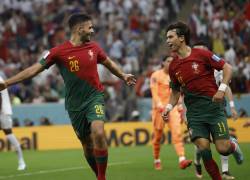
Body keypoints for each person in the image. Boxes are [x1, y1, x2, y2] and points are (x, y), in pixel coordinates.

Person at [0, 13, 136, 180]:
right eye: (90, 27)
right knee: (87, 145)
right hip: (74, 105)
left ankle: (102, 177)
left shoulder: (94, 48)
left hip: (95, 97)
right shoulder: (58, 52)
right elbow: (33, 69)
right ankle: (98, 175)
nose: (92, 31)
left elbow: (108, 63)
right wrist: (7, 83)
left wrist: (122, 75)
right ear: (79, 29)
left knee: (98, 132)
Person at [162, 21, 243, 180]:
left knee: (223, 148)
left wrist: (221, 90)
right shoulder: (173, 67)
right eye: (166, 38)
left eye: (171, 37)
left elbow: (227, 68)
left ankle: (233, 145)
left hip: (213, 108)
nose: (167, 41)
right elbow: (175, 92)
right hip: (194, 114)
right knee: (204, 148)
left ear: (181, 38)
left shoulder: (202, 54)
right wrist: (168, 107)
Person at [193, 42, 238, 179]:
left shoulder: (217, 69)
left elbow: (227, 88)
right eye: (197, 51)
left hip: (217, 108)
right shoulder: (190, 70)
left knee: (222, 141)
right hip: (197, 112)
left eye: (203, 51)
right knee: (202, 144)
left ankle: (225, 171)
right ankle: (197, 161)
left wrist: (232, 106)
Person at [150, 55, 192, 170]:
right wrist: (159, 105)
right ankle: (157, 159)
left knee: (177, 133)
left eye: (172, 61)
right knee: (158, 137)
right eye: (168, 61)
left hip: (171, 108)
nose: (170, 63)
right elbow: (154, 93)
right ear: (163, 63)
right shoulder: (155, 75)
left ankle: (182, 159)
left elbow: (178, 93)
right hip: (159, 109)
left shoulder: (176, 76)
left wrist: (180, 108)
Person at [0, 75, 26, 171]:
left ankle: (21, 161)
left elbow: (0, 97)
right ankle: (21, 162)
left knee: (9, 134)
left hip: (3, 112)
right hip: (3, 111)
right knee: (9, 135)